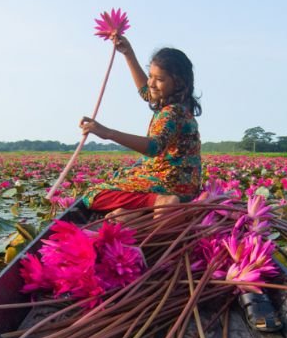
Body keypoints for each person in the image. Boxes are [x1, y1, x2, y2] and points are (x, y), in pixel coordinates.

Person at [79, 35, 201, 221]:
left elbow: (154, 147)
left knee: (92, 195)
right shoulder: (179, 105)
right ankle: (138, 212)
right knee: (127, 172)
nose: (151, 83)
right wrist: (128, 53)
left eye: (159, 79)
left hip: (170, 184)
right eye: (150, 75)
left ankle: (157, 202)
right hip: (186, 184)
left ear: (178, 82)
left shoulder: (172, 112)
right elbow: (147, 92)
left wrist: (108, 133)